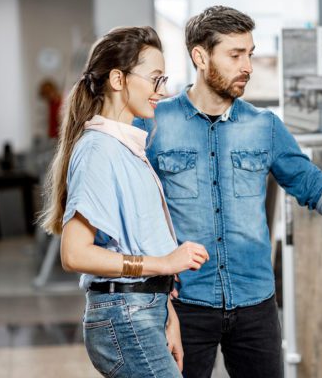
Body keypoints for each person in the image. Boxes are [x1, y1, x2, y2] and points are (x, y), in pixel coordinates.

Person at [134, 6, 322, 378]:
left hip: (255, 305)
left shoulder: (264, 126)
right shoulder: (155, 123)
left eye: (250, 54)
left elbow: (319, 190)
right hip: (185, 304)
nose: (249, 66)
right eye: (235, 54)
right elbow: (134, 211)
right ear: (200, 57)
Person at [39, 26, 210, 378]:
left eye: (164, 80)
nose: (161, 92)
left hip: (144, 310)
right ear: (118, 79)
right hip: (125, 316)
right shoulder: (99, 149)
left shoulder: (126, 147)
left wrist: (168, 315)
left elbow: (141, 238)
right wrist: (164, 264)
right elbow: (75, 254)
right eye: (155, 80)